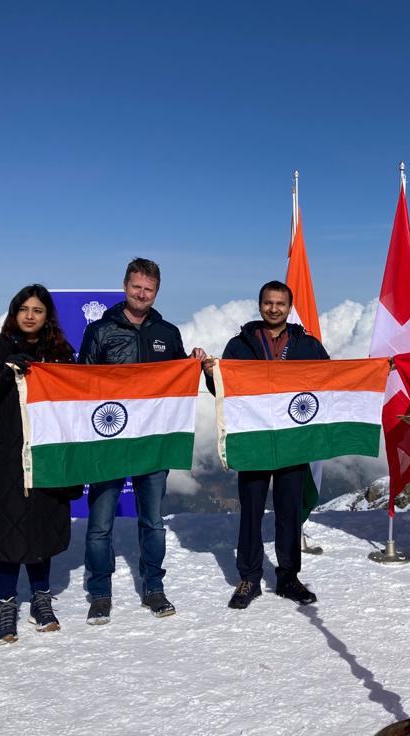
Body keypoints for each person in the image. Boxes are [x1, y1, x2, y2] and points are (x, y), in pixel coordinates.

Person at [78, 257, 207, 625]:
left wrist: (193, 362)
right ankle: (100, 593)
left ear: (157, 292)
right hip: (109, 442)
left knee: (153, 521)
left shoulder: (167, 333)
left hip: (154, 443)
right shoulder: (100, 332)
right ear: (124, 286)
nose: (142, 293)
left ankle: (153, 588)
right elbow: (81, 386)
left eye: (149, 289)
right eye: (136, 286)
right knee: (100, 524)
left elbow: (178, 384)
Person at [0, 284, 77, 644]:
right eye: (24, 309)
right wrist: (3, 374)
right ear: (14, 313)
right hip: (4, 461)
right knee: (7, 530)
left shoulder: (60, 358)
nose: (30, 315)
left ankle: (41, 598)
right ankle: (6, 602)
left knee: (41, 528)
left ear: (47, 317)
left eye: (37, 310)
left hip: (46, 456)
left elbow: (77, 403)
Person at [203, 280, 329, 610]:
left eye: (280, 304)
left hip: (291, 443)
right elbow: (222, 390)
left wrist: (370, 371)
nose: (274, 308)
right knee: (252, 512)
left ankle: (289, 577)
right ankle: (249, 577)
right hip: (253, 441)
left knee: (289, 512)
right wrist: (208, 373)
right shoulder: (240, 344)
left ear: (289, 308)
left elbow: (330, 380)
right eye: (268, 303)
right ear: (260, 305)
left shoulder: (307, 346)